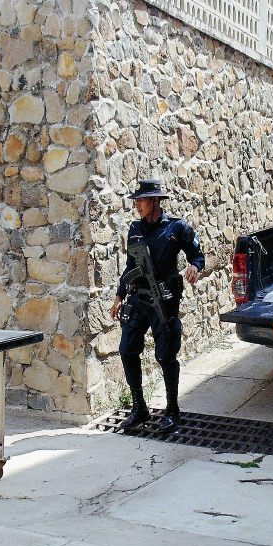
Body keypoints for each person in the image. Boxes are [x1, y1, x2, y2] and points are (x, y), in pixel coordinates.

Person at [110, 178, 205, 434]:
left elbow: (198, 255)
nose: (137, 205)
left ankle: (172, 411)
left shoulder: (177, 228)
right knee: (127, 350)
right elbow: (130, 266)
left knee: (165, 356)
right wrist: (119, 296)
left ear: (155, 201)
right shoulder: (134, 229)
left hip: (164, 302)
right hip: (138, 300)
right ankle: (139, 408)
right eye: (136, 201)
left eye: (141, 200)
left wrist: (195, 266)